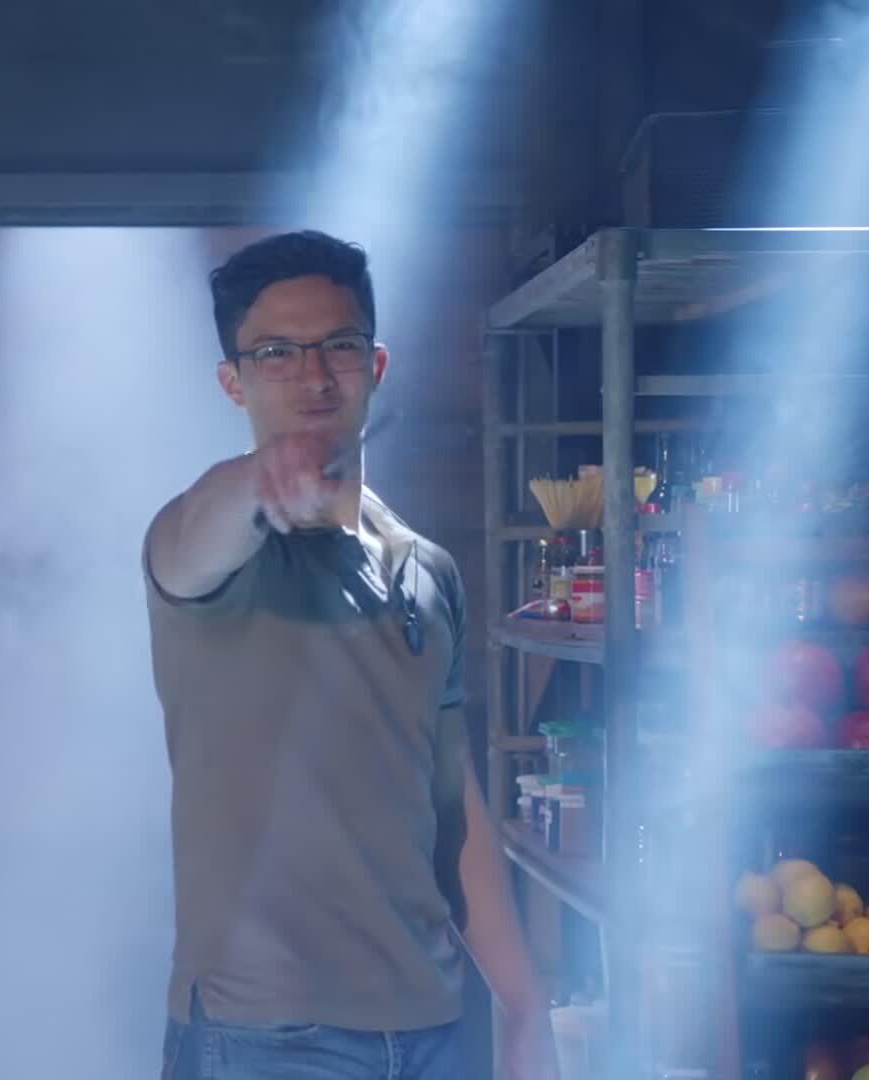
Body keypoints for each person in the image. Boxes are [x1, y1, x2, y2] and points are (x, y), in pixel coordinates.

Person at [143, 231, 556, 1080]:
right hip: (264, 1039)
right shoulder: (207, 548)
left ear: (376, 365)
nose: (314, 376)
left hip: (433, 1028)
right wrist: (263, 481)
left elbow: (453, 806)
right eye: (275, 354)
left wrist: (524, 1006)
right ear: (233, 382)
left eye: (338, 345)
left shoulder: (426, 570)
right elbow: (194, 535)